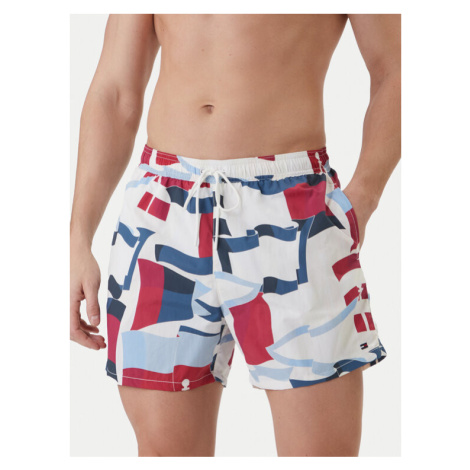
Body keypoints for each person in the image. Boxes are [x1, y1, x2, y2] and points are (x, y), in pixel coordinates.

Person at [70, 14, 401, 457]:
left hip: (292, 211)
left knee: (320, 455)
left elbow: (398, 67)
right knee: (165, 453)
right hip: (164, 212)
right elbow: (115, 93)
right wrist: (78, 238)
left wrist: (363, 198)